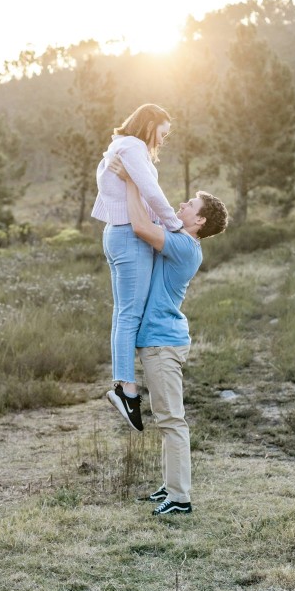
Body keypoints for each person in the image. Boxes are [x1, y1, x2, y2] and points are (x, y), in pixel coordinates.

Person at [109, 156, 228, 516]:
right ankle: (170, 486)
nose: (182, 205)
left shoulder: (185, 246)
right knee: (166, 417)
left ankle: (180, 498)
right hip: (161, 340)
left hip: (163, 343)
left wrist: (131, 179)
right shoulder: (181, 239)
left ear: (200, 220)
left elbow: (143, 227)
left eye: (190, 204)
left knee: (172, 420)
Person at [91, 104, 183, 431]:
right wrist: (174, 226)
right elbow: (151, 191)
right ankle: (126, 390)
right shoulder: (133, 146)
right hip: (129, 237)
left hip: (117, 233)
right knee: (129, 314)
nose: (163, 139)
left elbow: (126, 195)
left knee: (123, 313)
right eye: (163, 131)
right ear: (150, 124)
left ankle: (124, 386)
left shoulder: (119, 147)